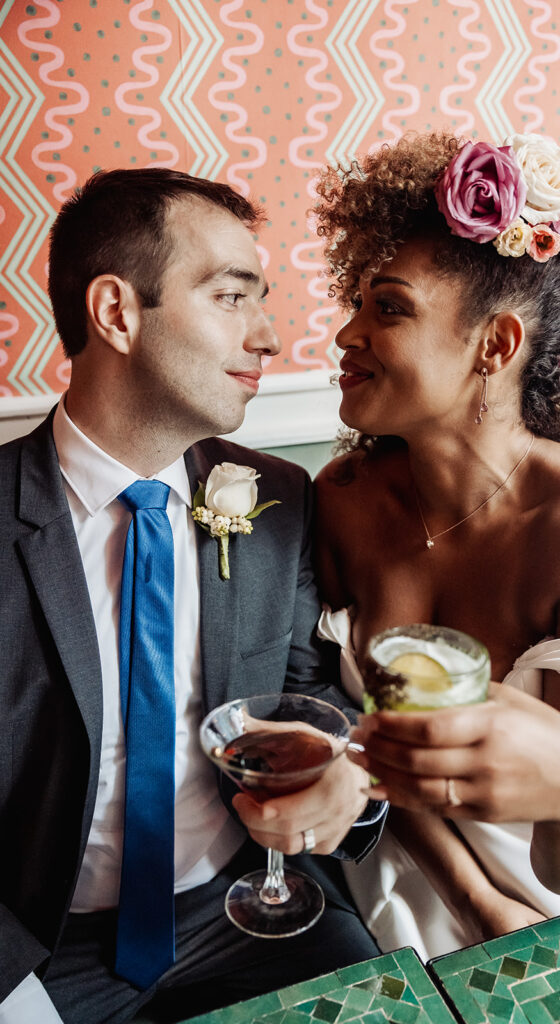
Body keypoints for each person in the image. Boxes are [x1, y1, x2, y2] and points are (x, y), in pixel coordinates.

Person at [0, 168, 385, 1024]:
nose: (270, 336)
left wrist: (350, 770)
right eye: (231, 296)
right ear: (116, 312)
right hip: (35, 946)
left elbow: (308, 694)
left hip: (253, 913)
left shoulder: (277, 498)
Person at [312, 130, 560, 960]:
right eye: (358, 302)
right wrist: (471, 898)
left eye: (388, 308)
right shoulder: (341, 502)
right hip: (388, 855)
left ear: (497, 345)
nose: (344, 335)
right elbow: (356, 736)